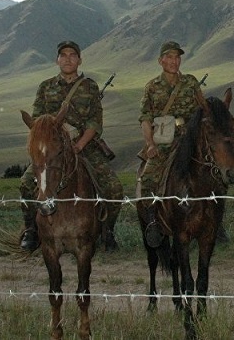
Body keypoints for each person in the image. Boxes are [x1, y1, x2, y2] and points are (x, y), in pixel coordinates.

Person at [19, 40, 124, 251]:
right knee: (25, 183)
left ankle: (108, 231)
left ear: (79, 60)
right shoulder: (46, 87)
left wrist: (79, 146)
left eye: (72, 55)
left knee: (114, 188)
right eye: (63, 55)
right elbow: (38, 120)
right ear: (57, 60)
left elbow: (95, 121)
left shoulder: (89, 86)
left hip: (84, 145)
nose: (68, 59)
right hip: (53, 150)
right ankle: (31, 229)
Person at [138, 41, 206, 248]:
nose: (173, 61)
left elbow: (202, 110)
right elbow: (145, 118)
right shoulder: (152, 87)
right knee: (149, 177)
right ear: (160, 61)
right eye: (169, 57)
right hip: (164, 140)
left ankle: (214, 222)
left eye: (177, 57)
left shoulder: (191, 83)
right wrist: (150, 144)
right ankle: (152, 221)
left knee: (211, 172)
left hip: (190, 138)